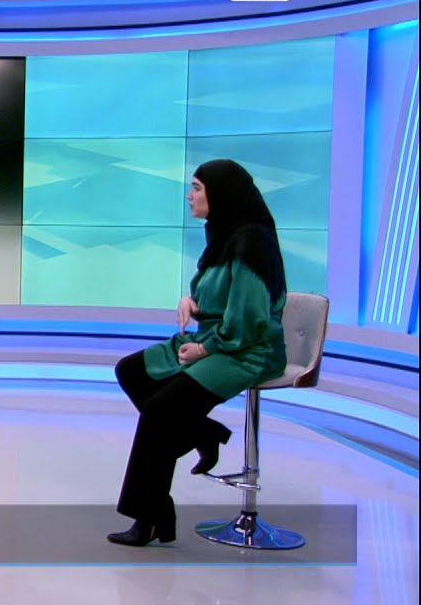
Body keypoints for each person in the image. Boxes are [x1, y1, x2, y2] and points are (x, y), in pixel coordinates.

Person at [108, 159, 288, 546]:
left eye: (197, 188)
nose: (189, 196)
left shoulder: (252, 243)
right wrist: (191, 301)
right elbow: (220, 293)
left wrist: (204, 349)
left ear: (220, 194)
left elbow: (249, 321)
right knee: (132, 371)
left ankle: (150, 516)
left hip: (246, 351)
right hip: (218, 337)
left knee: (160, 412)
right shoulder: (226, 233)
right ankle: (204, 432)